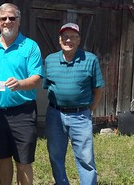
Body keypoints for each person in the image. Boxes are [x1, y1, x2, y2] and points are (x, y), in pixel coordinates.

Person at [0, 3, 44, 185]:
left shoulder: (30, 46)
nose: (7, 21)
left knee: (23, 161)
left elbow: (37, 78)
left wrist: (20, 84)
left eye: (12, 18)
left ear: (19, 21)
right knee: (3, 157)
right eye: (3, 18)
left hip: (22, 112)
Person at [43, 23, 105, 185]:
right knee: (55, 155)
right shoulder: (50, 60)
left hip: (80, 115)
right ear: (59, 40)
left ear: (79, 40)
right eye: (65, 37)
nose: (68, 40)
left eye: (72, 37)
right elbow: (47, 87)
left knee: (85, 158)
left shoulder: (90, 59)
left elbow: (98, 88)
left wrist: (89, 109)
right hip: (54, 115)